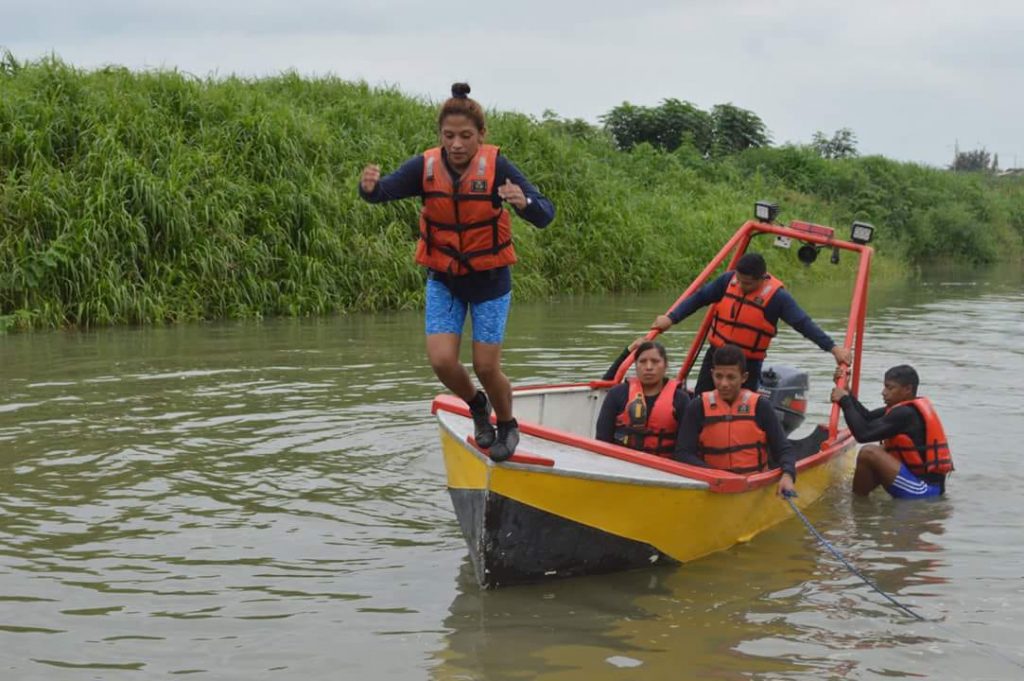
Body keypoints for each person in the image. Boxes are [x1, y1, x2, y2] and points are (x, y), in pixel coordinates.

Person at [359, 83, 555, 461]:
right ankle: (477, 405)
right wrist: (369, 189)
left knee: (486, 366)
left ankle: (508, 424)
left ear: (481, 135)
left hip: (490, 281)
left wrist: (524, 202)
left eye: (466, 135)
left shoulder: (497, 167)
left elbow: (545, 213)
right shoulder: (425, 167)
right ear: (440, 135)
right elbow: (384, 191)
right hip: (445, 279)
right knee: (442, 361)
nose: (457, 144)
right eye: (448, 136)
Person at [650, 252, 851, 394]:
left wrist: (833, 348)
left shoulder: (778, 298)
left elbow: (803, 323)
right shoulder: (728, 281)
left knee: (742, 410)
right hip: (716, 355)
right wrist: (672, 318)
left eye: (747, 283)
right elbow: (699, 298)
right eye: (739, 280)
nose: (741, 286)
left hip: (748, 363)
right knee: (701, 400)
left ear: (762, 278)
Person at [674, 344, 796, 496]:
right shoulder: (697, 407)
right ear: (712, 374)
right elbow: (683, 453)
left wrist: (788, 474)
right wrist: (718, 477)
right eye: (719, 376)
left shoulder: (761, 406)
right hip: (713, 486)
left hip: (753, 486)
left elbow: (784, 449)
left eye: (731, 377)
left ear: (744, 377)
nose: (724, 384)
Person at [831, 365, 953, 499]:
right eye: (885, 387)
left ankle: (858, 503)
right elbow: (866, 417)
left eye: (890, 388)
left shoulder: (906, 413)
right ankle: (859, 503)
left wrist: (845, 401)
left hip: (925, 490)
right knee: (877, 453)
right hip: (918, 482)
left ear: (907, 389)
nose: (883, 392)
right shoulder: (901, 409)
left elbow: (863, 435)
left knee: (869, 453)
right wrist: (847, 392)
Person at [595, 341, 690, 456]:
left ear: (665, 365)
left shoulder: (681, 399)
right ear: (636, 365)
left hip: (664, 464)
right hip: (621, 462)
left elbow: (686, 448)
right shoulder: (616, 394)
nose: (648, 367)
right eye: (643, 361)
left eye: (655, 361)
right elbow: (602, 439)